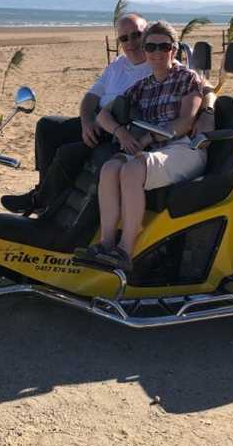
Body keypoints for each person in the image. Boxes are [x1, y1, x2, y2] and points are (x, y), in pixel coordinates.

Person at [76, 21, 209, 271]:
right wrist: (121, 133)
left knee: (131, 170)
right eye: (150, 47)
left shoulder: (187, 79)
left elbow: (184, 122)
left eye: (164, 46)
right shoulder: (143, 85)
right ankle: (105, 244)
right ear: (145, 51)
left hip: (182, 148)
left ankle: (125, 250)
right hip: (151, 151)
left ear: (174, 49)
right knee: (109, 168)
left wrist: (149, 138)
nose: (157, 53)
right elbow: (104, 115)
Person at [1, 13, 152, 214]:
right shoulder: (118, 64)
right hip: (97, 119)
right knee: (47, 126)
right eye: (124, 38)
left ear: (147, 33)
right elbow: (91, 97)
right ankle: (44, 191)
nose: (131, 42)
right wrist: (86, 122)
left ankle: (40, 201)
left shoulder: (156, 64)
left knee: (67, 152)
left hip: (118, 128)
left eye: (136, 35)